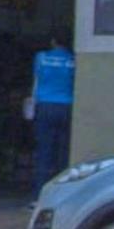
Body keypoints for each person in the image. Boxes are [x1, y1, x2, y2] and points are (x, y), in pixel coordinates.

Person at [24, 34, 76, 190]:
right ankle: (62, 189)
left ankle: (40, 191)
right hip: (67, 106)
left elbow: (36, 81)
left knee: (44, 151)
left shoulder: (41, 57)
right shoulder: (73, 59)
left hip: (45, 106)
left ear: (53, 41)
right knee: (64, 151)